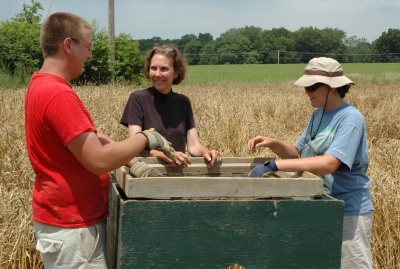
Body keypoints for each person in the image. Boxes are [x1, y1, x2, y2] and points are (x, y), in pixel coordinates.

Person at [24, 12, 175, 269]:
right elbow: (96, 160)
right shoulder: (58, 94)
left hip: (64, 224)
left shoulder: (41, 85)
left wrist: (129, 157)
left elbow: (89, 140)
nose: (90, 54)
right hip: (73, 230)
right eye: (88, 46)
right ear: (69, 45)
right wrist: (145, 138)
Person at [247, 57, 373, 269]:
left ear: (333, 87)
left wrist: (274, 166)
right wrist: (274, 143)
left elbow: (330, 163)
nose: (307, 91)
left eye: (313, 86)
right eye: (306, 86)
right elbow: (297, 155)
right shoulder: (318, 114)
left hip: (348, 210)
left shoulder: (350, 118)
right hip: (321, 206)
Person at [120, 44, 221, 175]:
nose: (157, 74)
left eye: (164, 69)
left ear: (176, 73)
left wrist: (207, 153)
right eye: (153, 68)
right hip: (148, 173)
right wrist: (166, 155)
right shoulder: (138, 99)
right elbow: (134, 147)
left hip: (178, 172)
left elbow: (194, 145)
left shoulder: (183, 102)